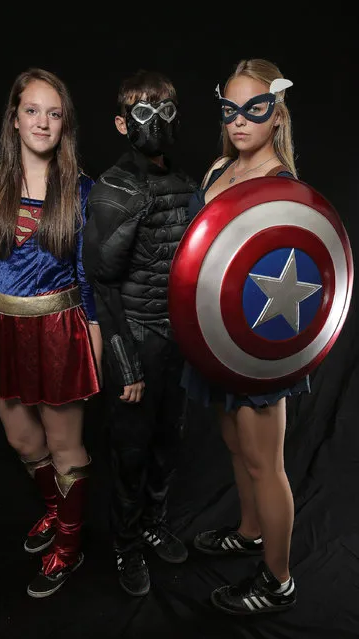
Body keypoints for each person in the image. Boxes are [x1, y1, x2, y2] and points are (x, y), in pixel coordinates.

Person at [0, 68, 102, 599]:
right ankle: (53, 510)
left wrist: (93, 333)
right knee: (22, 439)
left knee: (67, 448)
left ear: (65, 123)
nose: (42, 121)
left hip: (59, 329)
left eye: (54, 112)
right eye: (32, 110)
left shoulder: (82, 188)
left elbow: (87, 274)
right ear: (14, 119)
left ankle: (70, 544)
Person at [184, 58, 308, 615]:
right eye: (229, 110)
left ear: (276, 112)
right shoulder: (218, 169)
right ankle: (251, 529)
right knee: (235, 446)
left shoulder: (282, 185)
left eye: (253, 109)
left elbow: (295, 280)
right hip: (212, 338)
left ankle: (278, 578)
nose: (239, 122)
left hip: (256, 346)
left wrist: (265, 351)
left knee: (265, 462)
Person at [82, 69, 197, 596]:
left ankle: (154, 523)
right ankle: (126, 546)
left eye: (165, 111)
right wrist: (125, 363)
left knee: (167, 443)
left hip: (179, 342)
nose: (156, 122)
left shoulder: (184, 184)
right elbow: (103, 283)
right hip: (135, 336)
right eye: (143, 113)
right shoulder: (113, 188)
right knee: (129, 452)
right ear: (122, 122)